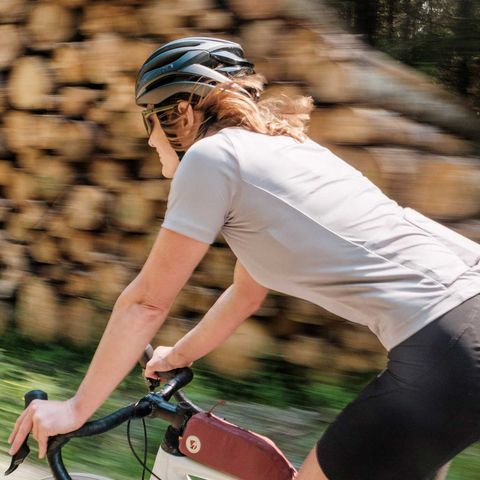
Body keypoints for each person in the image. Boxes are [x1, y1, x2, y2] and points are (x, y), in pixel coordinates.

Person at [8, 36, 480, 480]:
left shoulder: (211, 158)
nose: (150, 139)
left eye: (149, 118)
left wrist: (74, 409)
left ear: (184, 112)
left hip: (449, 347)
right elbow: (245, 294)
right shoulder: (285, 151)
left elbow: (147, 303)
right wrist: (178, 354)